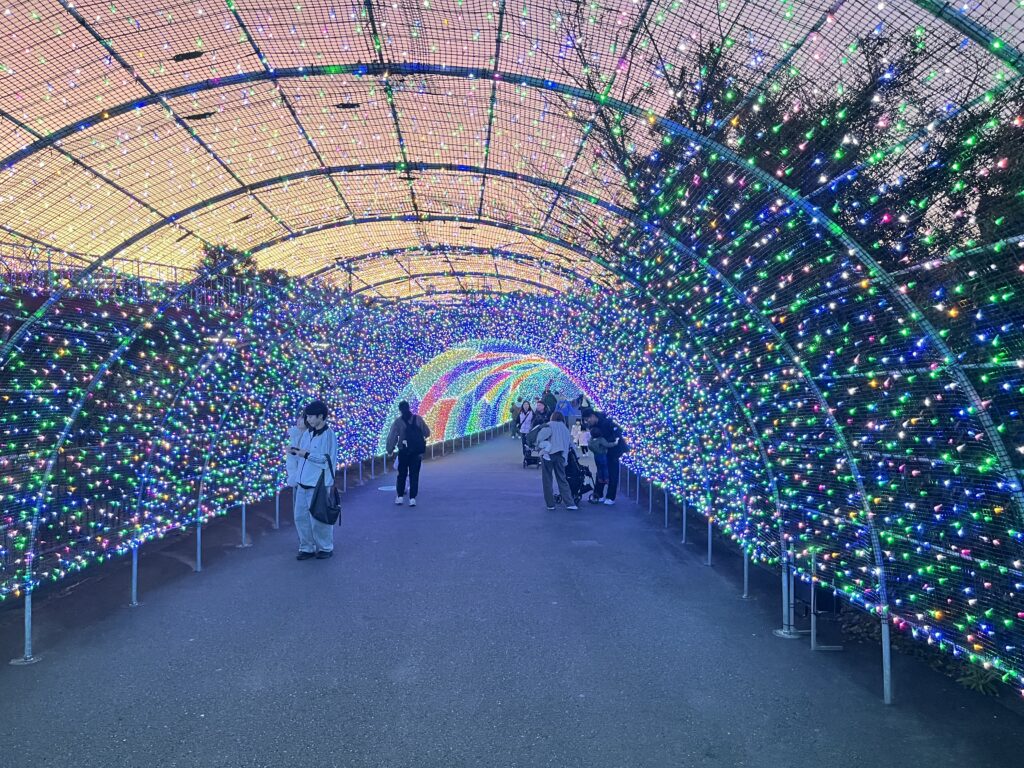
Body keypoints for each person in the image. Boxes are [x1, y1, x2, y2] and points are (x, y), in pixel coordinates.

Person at [287, 400, 339, 560]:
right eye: (307, 416)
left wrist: (306, 454)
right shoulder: (308, 433)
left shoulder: (329, 435)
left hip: (318, 484)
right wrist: (296, 451)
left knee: (319, 518)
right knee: (300, 517)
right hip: (302, 482)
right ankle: (306, 547)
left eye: (311, 416)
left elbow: (326, 460)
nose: (308, 419)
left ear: (321, 416)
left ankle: (325, 547)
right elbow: (303, 453)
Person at [386, 400, 431, 507]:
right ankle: (412, 499)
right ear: (409, 408)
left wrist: (390, 450)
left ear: (400, 410)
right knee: (414, 475)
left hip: (404, 451)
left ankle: (400, 497)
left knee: (402, 474)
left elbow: (392, 437)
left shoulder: (398, 422)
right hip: (416, 452)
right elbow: (427, 433)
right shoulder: (418, 419)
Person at [535, 412, 578, 511]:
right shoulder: (565, 429)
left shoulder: (549, 425)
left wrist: (538, 446)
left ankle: (550, 504)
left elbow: (540, 438)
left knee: (547, 479)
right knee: (562, 479)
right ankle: (570, 503)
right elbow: (570, 444)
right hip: (561, 456)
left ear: (552, 417)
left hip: (548, 455)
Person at [584, 410, 625, 505]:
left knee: (612, 473)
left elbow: (618, 431)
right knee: (600, 472)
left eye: (587, 419)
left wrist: (607, 442)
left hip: (613, 451)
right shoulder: (593, 426)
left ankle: (610, 497)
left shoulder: (607, 422)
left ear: (593, 416)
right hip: (601, 453)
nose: (587, 422)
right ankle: (598, 494)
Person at [587, 425, 619, 503]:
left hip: (596, 456)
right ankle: (606, 479)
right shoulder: (601, 440)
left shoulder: (591, 441)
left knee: (599, 469)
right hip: (603, 456)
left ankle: (600, 479)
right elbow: (608, 445)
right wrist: (615, 442)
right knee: (605, 468)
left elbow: (590, 447)